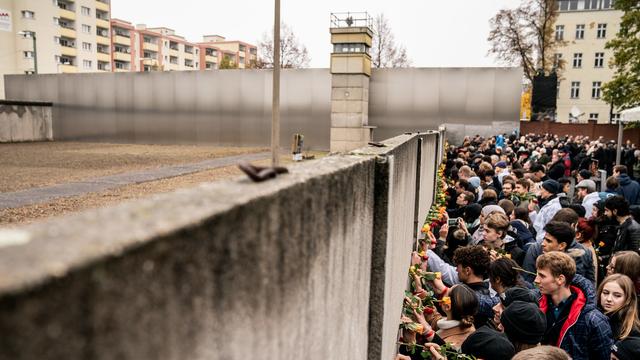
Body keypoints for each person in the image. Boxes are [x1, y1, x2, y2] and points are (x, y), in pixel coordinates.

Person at [534, 252, 612, 359]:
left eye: (542, 276)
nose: (536, 280)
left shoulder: (593, 320)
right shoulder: (535, 304)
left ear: (560, 279)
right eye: (537, 274)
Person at [522, 221, 595, 284]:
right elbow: (528, 280)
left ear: (562, 245)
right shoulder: (535, 250)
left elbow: (589, 285)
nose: (542, 244)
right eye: (544, 239)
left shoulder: (583, 254)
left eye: (548, 241)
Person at [597, 274, 640, 340]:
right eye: (605, 293)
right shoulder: (590, 317)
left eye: (617, 295)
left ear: (628, 299)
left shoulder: (632, 330)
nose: (609, 299)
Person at [530, 179, 563, 245]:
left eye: (542, 189)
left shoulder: (554, 207)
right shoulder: (545, 203)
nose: (540, 192)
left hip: (543, 241)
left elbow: (549, 227)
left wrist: (542, 240)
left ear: (548, 191)